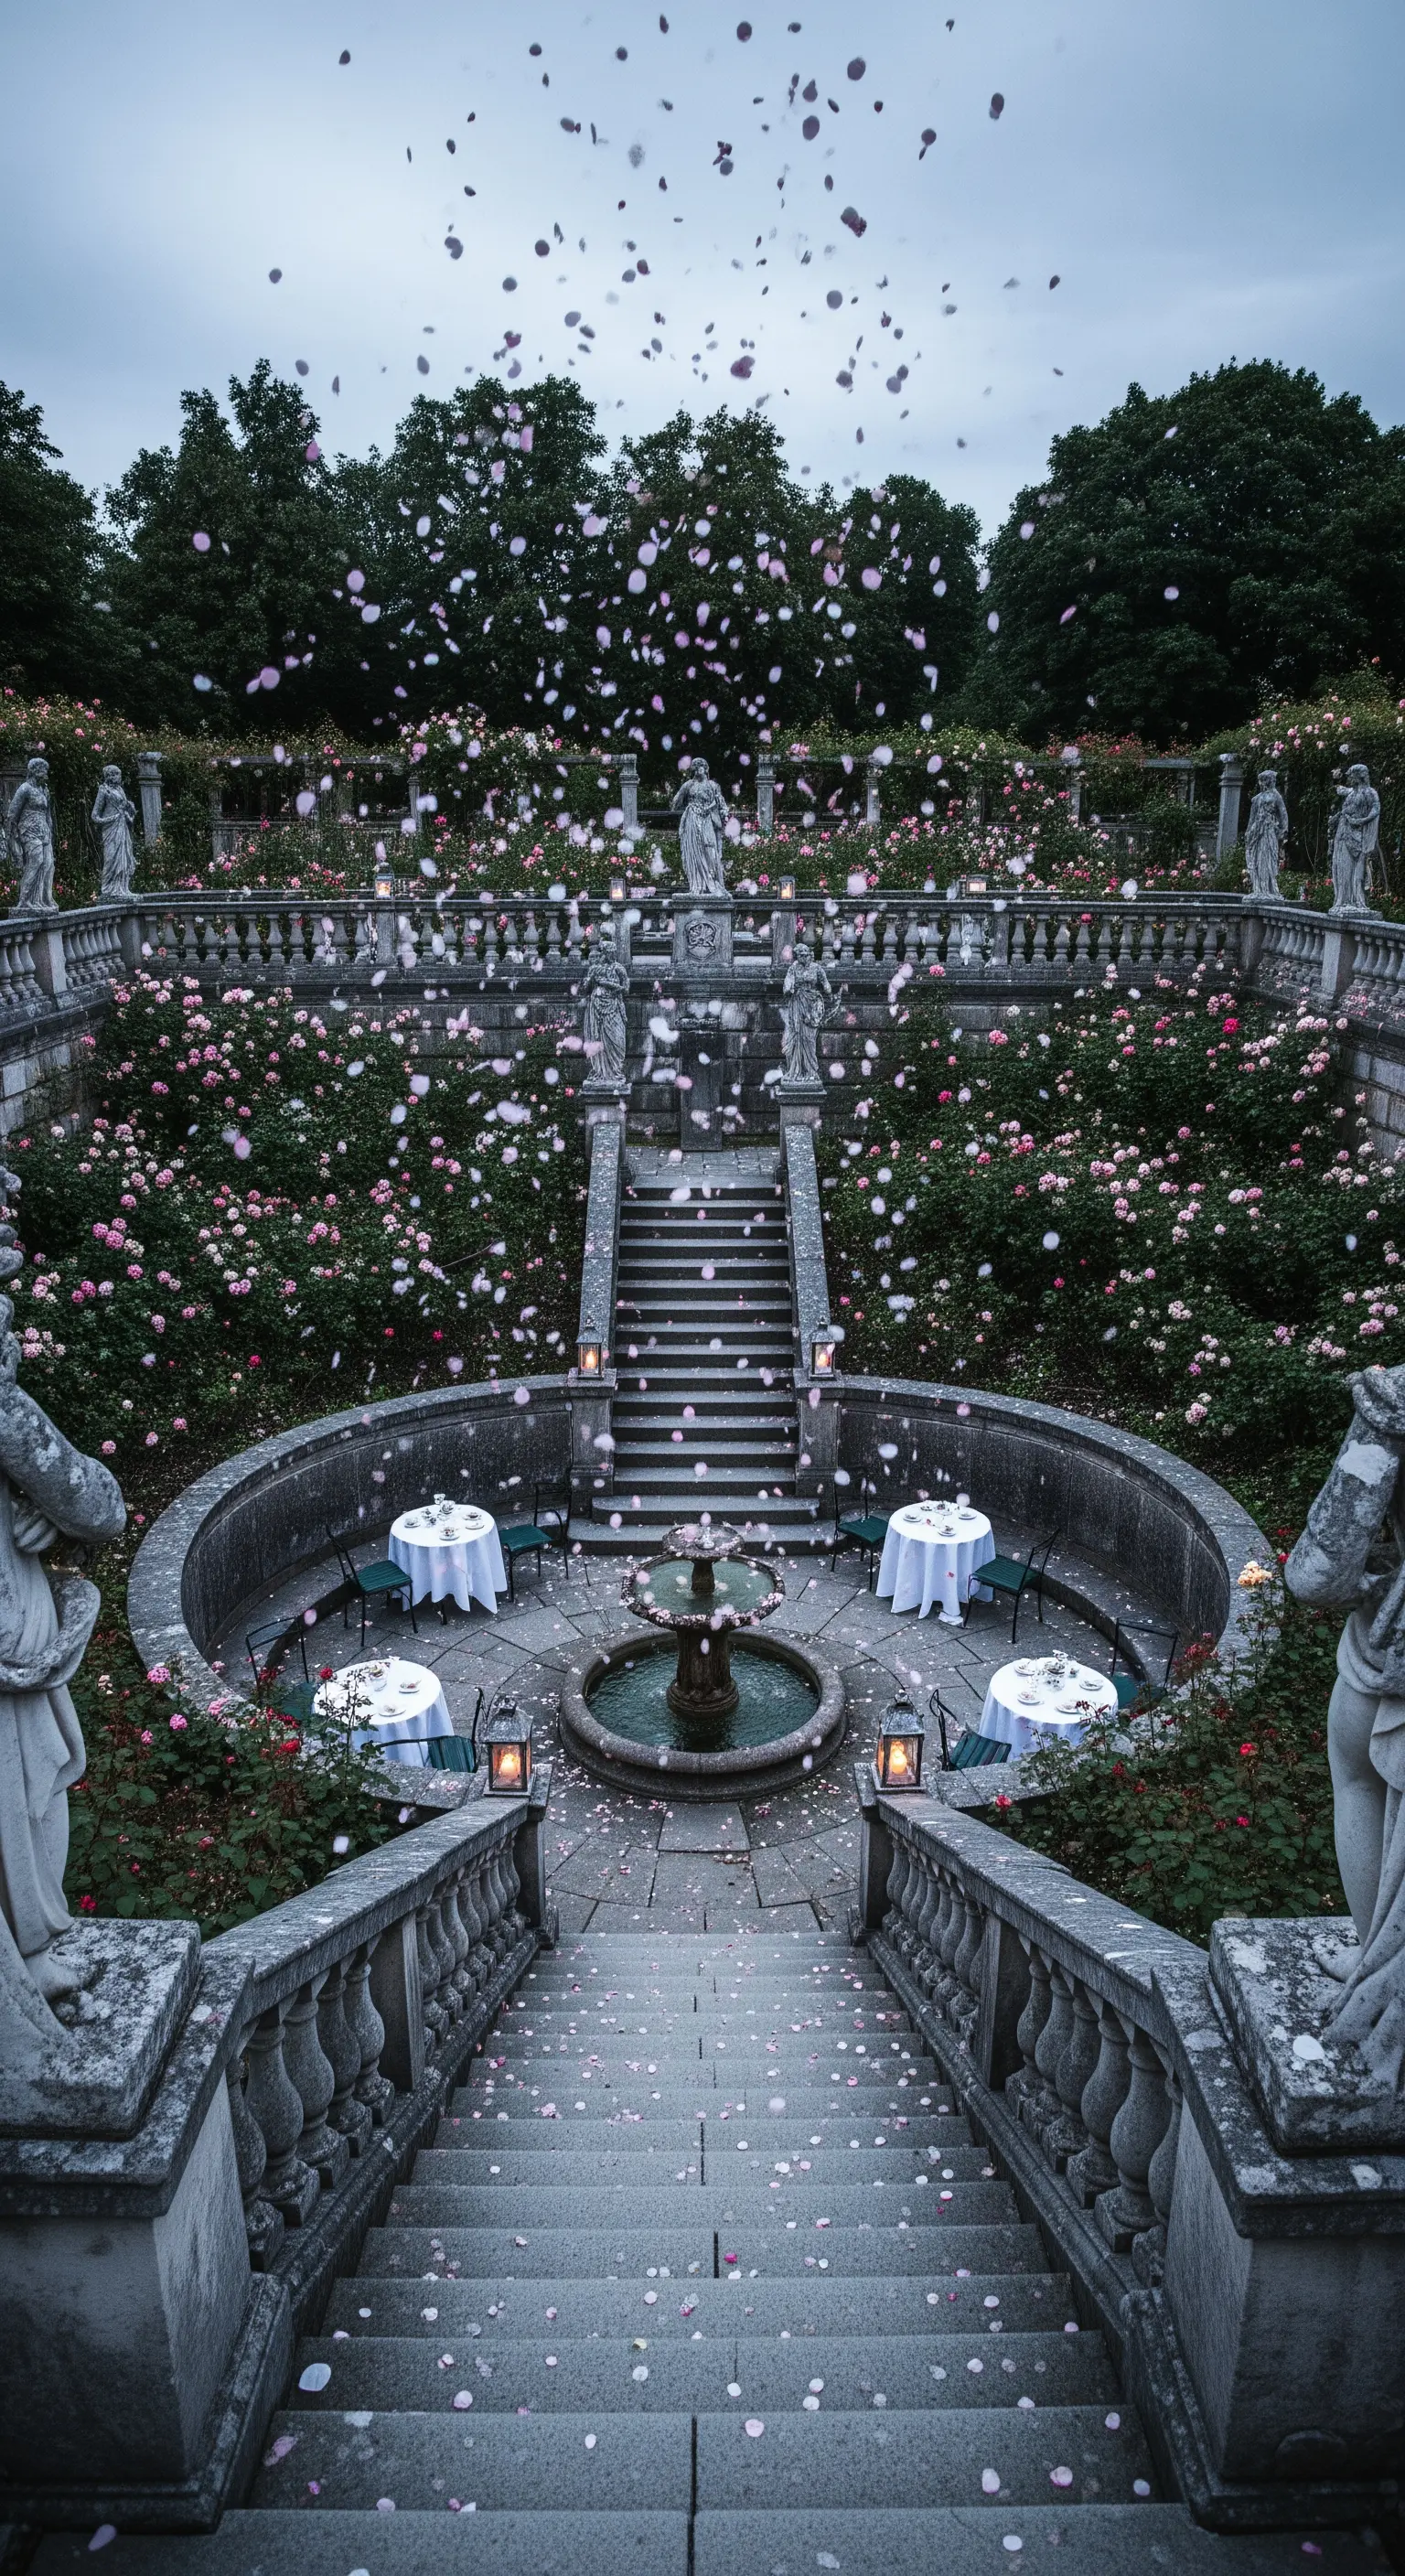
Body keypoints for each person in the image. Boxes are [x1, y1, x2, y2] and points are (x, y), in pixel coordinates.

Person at [0, 1168, 125, 2014]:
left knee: (33, 1785)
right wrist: (47, 1501)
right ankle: (34, 1948)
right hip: (11, 1634)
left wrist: (20, 1507)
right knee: (26, 1795)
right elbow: (97, 1504)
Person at [1286, 1362, 1405, 2080]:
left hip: (1393, 1655)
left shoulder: (1396, 1402)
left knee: (1358, 1779)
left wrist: (1376, 1578)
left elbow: (1317, 1573)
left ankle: (1374, 1957)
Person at [581, 918, 630, 1086]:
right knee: (596, 1038)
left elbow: (626, 989)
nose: (611, 955)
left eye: (612, 952)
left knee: (617, 1041)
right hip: (596, 1006)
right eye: (609, 952)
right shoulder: (594, 968)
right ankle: (600, 1073)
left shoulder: (619, 969)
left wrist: (609, 984)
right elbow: (585, 987)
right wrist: (591, 980)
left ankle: (614, 1072)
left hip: (614, 1007)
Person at [670, 760, 730, 896]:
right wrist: (678, 798)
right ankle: (697, 885)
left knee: (710, 849)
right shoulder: (688, 785)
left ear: (706, 768)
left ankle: (712, 881)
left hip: (707, 818)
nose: (699, 770)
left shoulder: (713, 786)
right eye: (696, 768)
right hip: (692, 818)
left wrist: (723, 813)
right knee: (693, 851)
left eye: (701, 767)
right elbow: (675, 803)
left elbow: (722, 804)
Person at [5, 758, 57, 914]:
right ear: (34, 770)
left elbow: (48, 814)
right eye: (43, 769)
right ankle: (24, 901)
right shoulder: (25, 789)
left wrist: (50, 830)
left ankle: (40, 899)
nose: (46, 773)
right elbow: (12, 814)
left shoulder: (44, 790)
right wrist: (13, 837)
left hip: (43, 830)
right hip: (29, 830)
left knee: (48, 864)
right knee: (36, 861)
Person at [779, 937, 833, 1085]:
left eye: (805, 955)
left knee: (809, 1039)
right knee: (797, 1036)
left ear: (810, 954)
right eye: (800, 955)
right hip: (798, 1003)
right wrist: (788, 988)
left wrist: (830, 992)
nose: (803, 958)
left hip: (813, 1004)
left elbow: (826, 984)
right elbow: (787, 984)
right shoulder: (793, 968)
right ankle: (797, 1070)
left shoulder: (817, 968)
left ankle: (810, 1070)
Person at [1330, 763, 1380, 913]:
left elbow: (1376, 810)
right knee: (1341, 866)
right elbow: (1346, 810)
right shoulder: (1351, 793)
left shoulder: (1370, 792)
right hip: (1343, 832)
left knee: (1356, 868)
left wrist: (1361, 821)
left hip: (1357, 834)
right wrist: (1336, 817)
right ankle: (1343, 900)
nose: (1349, 779)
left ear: (1359, 776)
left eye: (1351, 776)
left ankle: (1356, 900)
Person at [91, 764, 138, 899]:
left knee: (124, 858)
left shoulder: (120, 790)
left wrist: (130, 812)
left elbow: (125, 811)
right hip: (111, 829)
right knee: (111, 858)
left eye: (119, 774)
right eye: (116, 774)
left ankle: (122, 888)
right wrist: (111, 819)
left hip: (122, 827)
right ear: (109, 776)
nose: (118, 777)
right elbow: (95, 816)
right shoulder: (103, 790)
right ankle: (108, 890)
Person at [1244, 768, 1288, 897]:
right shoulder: (1257, 799)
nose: (1263, 783)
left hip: (1269, 830)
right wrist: (1248, 833)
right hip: (1257, 831)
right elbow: (1252, 818)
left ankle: (1268, 889)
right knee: (1257, 858)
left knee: (1268, 857)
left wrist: (1283, 830)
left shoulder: (1276, 796)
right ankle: (1259, 889)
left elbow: (1283, 814)